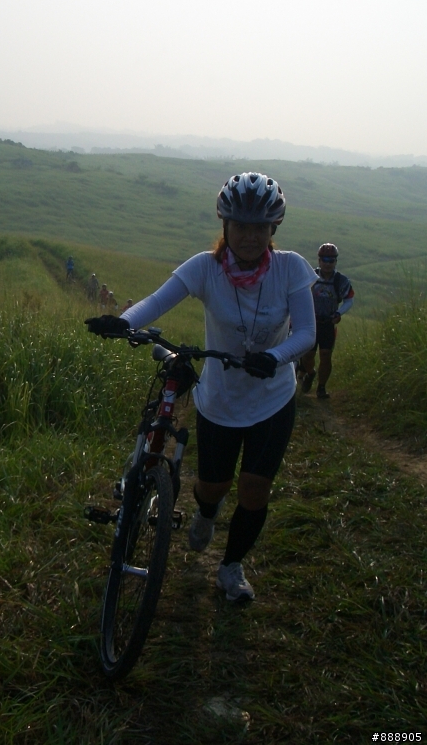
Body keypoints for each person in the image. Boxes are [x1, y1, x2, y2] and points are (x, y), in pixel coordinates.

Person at [85, 173, 316, 603]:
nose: (250, 236)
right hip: (220, 401)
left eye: (260, 227)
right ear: (225, 225)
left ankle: (231, 568)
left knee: (254, 489)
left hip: (273, 401)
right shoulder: (205, 268)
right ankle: (207, 514)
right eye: (241, 226)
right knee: (213, 488)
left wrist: (275, 356)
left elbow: (306, 332)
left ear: (274, 229)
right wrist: (123, 322)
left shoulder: (291, 268)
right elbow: (158, 300)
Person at [298, 243, 354, 400]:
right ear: (319, 260)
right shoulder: (310, 276)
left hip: (328, 323)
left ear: (335, 261)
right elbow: (298, 295)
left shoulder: (341, 280)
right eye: (324, 260)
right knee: (307, 355)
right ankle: (310, 373)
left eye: (331, 260)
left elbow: (349, 299)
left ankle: (321, 388)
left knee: (325, 355)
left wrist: (339, 313)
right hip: (311, 322)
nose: (327, 264)